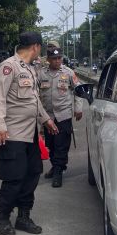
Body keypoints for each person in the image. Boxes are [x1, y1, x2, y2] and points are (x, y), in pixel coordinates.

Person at [0, 31, 57, 235]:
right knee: (14, 178)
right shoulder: (9, 66)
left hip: (30, 134)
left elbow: (34, 100)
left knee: (33, 173)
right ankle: (3, 217)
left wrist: (46, 119)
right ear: (36, 47)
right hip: (12, 134)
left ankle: (23, 216)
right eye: (41, 49)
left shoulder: (30, 69)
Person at [38, 46, 84, 188]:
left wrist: (78, 108)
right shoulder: (41, 74)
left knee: (61, 145)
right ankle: (55, 166)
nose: (57, 61)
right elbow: (34, 94)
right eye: (54, 59)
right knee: (50, 144)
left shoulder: (68, 73)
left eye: (59, 58)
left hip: (63, 116)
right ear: (48, 60)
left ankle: (58, 171)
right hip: (48, 117)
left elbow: (79, 90)